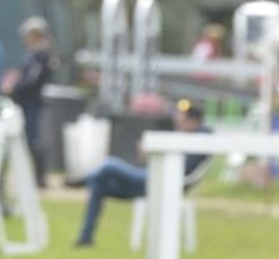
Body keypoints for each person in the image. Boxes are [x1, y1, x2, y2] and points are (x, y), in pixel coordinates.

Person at [71, 98, 211, 248]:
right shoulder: (182, 136)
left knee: (110, 165)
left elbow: (181, 169)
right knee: (99, 184)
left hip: (165, 183)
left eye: (182, 116)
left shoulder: (201, 138)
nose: (177, 119)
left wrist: (153, 156)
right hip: (153, 178)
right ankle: (85, 238)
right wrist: (149, 156)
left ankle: (85, 179)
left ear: (193, 120)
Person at [6, 17, 56, 188]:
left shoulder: (41, 54)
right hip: (26, 102)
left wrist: (15, 88)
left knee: (34, 138)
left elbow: (32, 80)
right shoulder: (33, 54)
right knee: (29, 137)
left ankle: (40, 178)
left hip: (33, 102)